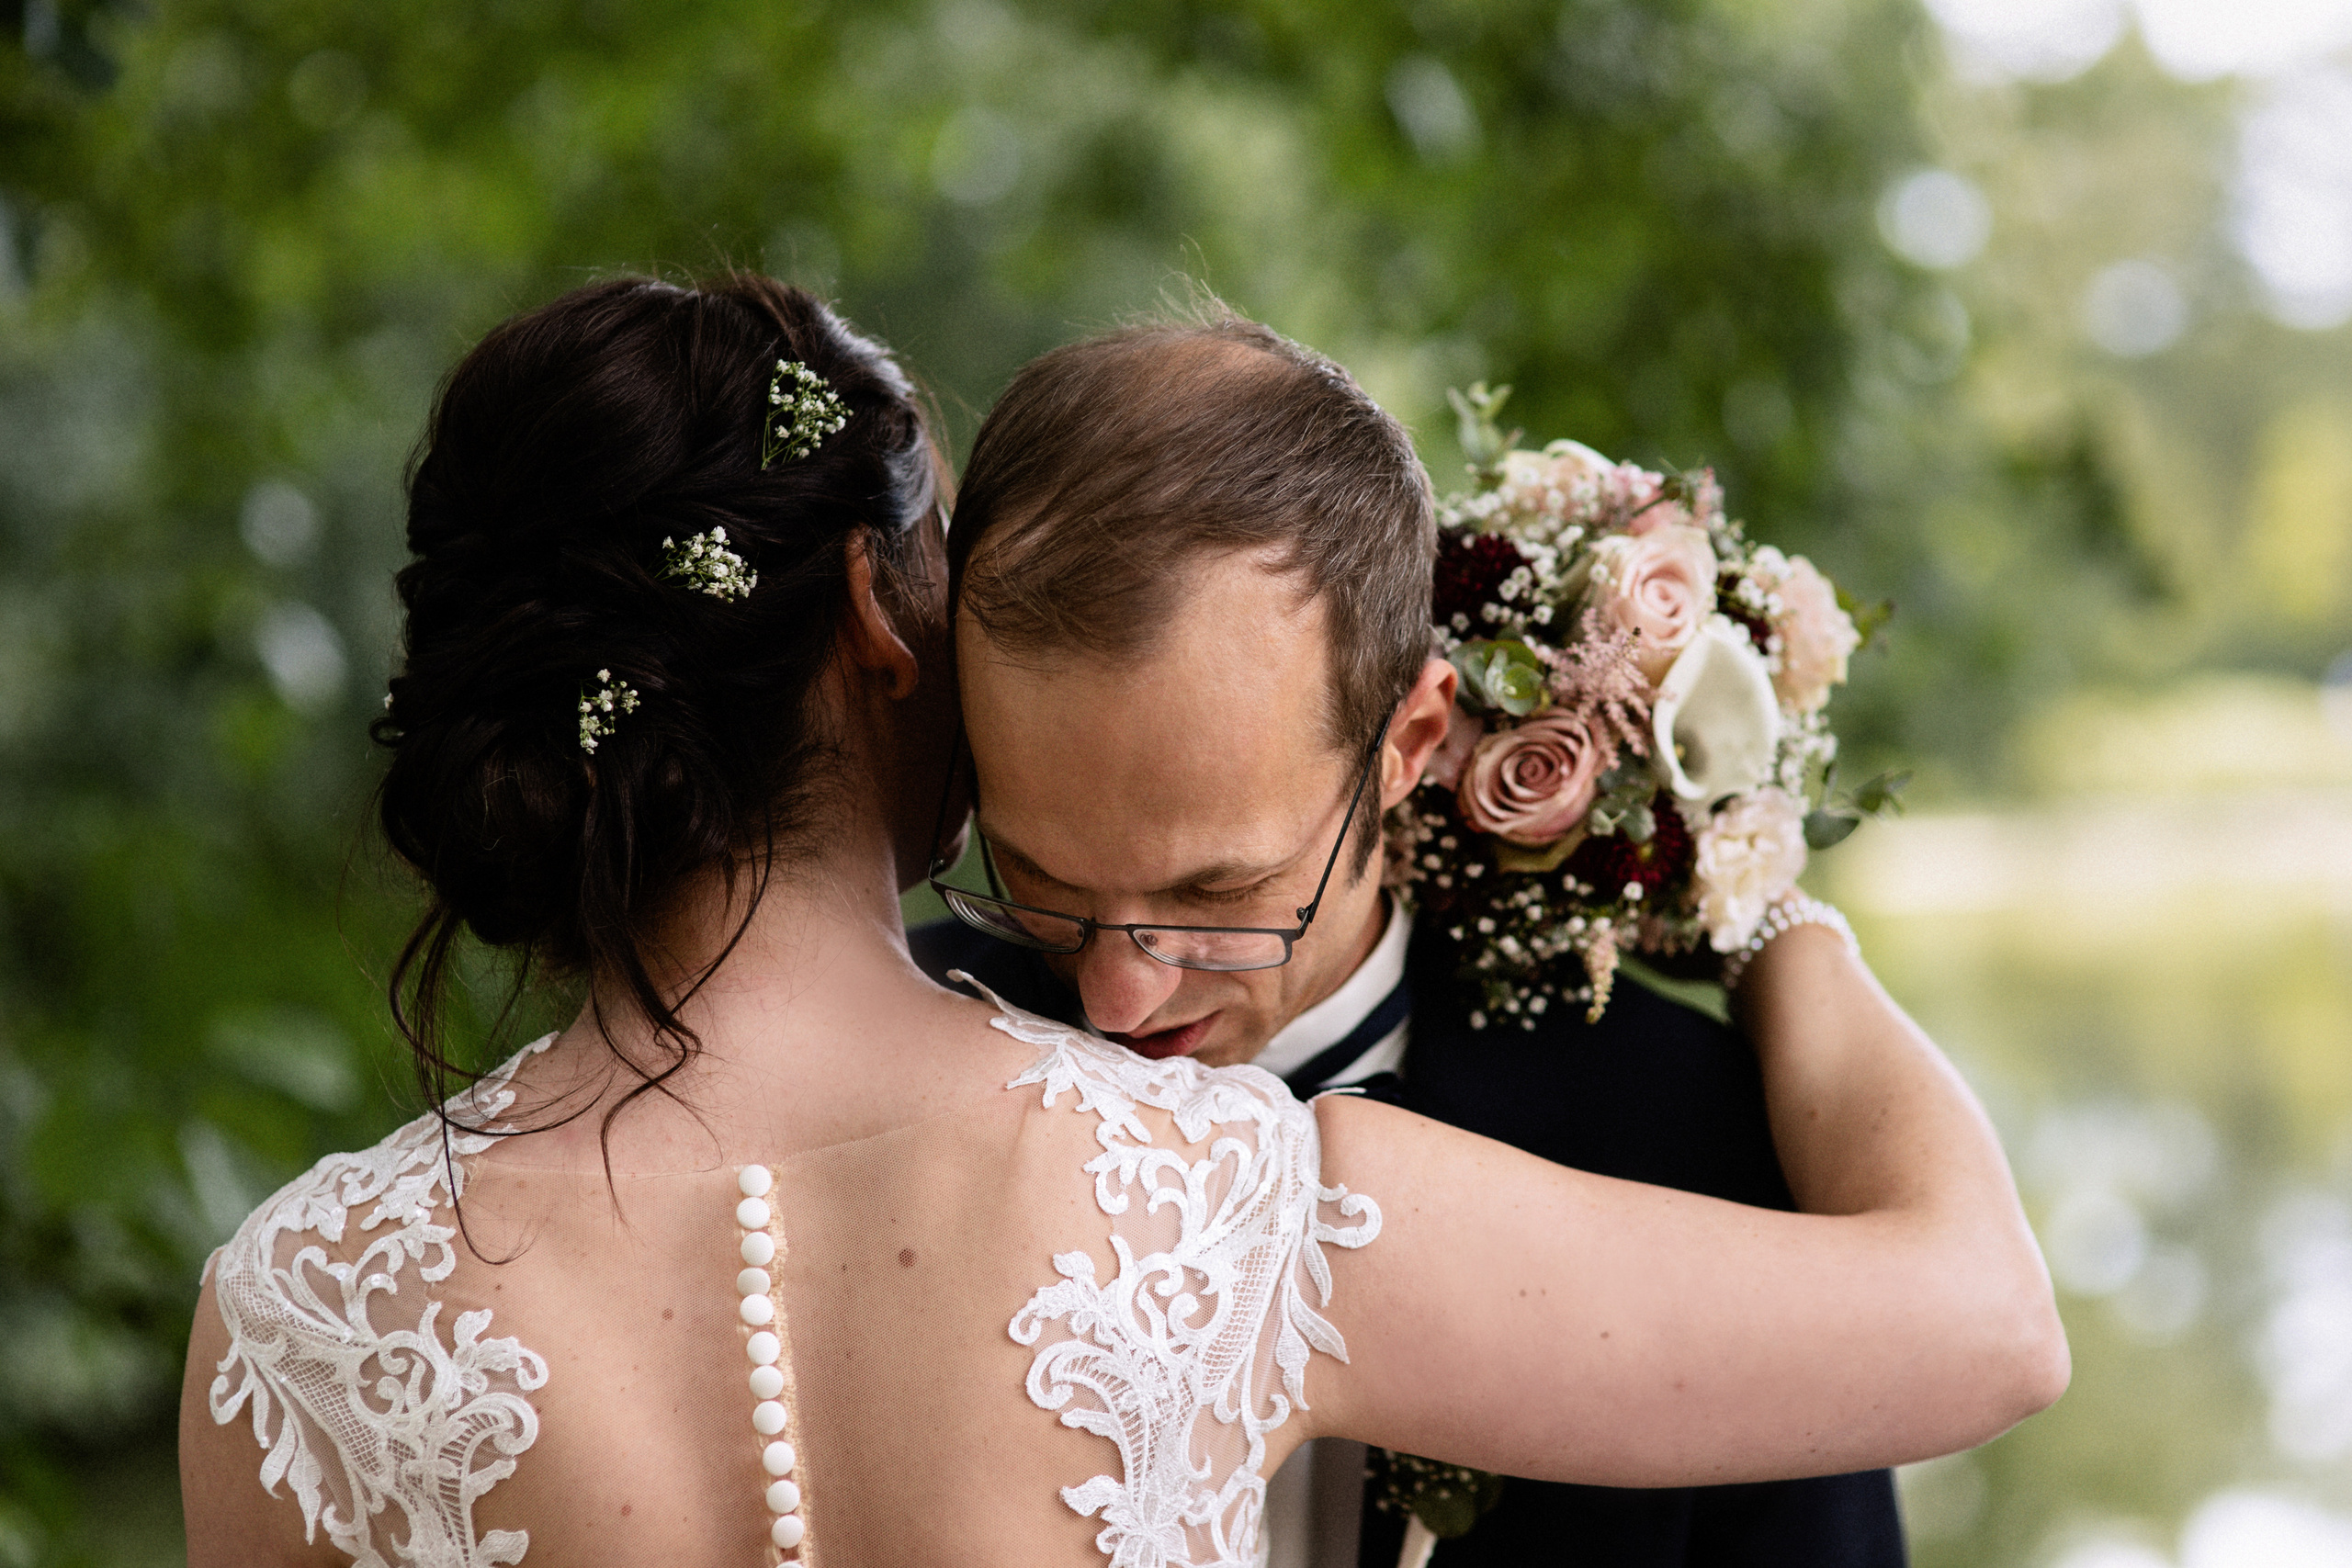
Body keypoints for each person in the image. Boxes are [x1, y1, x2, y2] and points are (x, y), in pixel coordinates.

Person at [178, 275, 2066, 1568]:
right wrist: (1760, 889)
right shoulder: (1233, 1200)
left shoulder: (289, 1306)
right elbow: (1982, 1316)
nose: (1124, 967)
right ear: (875, 617)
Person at [910, 311, 1986, 1567]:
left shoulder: (1685, 1132)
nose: (1116, 996)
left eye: (1218, 895)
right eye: (1034, 878)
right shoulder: (872, 1069)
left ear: (1411, 743)